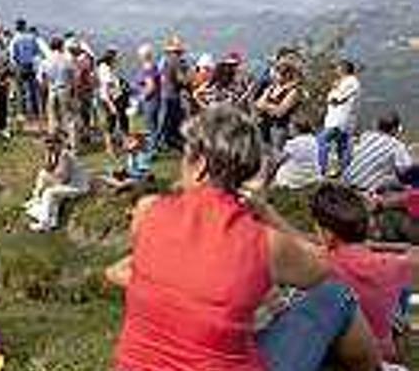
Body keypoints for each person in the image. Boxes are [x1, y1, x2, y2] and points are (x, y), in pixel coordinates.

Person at [107, 105, 380, 371]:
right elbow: (322, 269)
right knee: (337, 295)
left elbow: (185, 260)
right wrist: (265, 211)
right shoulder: (264, 242)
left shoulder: (147, 211)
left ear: (200, 165)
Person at [310, 183, 417, 366]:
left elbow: (295, 242)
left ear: (327, 234)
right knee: (398, 311)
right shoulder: (395, 265)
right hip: (384, 354)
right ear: (370, 225)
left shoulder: (321, 264)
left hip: (341, 356)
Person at [24, 132, 89, 232]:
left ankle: (44, 223)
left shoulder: (65, 155)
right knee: (43, 176)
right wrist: (49, 157)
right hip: (69, 184)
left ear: (59, 144)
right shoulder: (55, 154)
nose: (50, 147)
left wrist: (50, 181)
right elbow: (48, 169)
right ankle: (52, 221)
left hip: (78, 186)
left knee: (49, 192)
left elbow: (64, 178)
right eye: (47, 144)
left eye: (52, 144)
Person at [346, 112, 416, 193]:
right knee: (406, 175)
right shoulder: (396, 145)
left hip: (347, 182)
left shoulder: (366, 136)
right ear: (394, 129)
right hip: (364, 189)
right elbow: (406, 169)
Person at [318, 60, 361, 177]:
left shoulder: (351, 82)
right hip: (338, 120)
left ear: (344, 69)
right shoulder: (343, 82)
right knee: (342, 146)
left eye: (338, 68)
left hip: (340, 120)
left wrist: (334, 91)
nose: (336, 70)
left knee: (322, 141)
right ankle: (345, 171)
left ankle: (321, 169)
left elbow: (336, 99)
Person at [255, 59, 302, 150]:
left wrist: (265, 106)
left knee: (276, 154)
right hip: (264, 126)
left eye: (280, 73)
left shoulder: (293, 91)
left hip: (279, 128)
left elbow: (280, 112)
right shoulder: (271, 88)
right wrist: (271, 107)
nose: (276, 76)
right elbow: (257, 104)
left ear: (288, 75)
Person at [39, 37, 76, 147]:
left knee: (52, 117)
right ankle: (70, 143)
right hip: (64, 89)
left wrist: (45, 90)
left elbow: (42, 79)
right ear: (61, 46)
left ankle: (53, 142)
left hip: (52, 90)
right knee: (67, 117)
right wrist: (73, 92)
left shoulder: (45, 61)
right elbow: (72, 78)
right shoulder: (67, 60)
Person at [156, 35, 188, 151]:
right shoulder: (176, 61)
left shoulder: (164, 60)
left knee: (166, 121)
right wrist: (187, 80)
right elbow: (181, 80)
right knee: (169, 122)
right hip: (172, 95)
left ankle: (163, 143)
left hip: (165, 93)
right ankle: (156, 145)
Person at [272, 114, 322, 190]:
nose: (289, 130)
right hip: (313, 175)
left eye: (291, 127)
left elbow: (280, 160)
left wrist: (275, 148)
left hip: (297, 177)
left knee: (281, 171)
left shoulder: (293, 143)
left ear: (297, 129)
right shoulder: (313, 139)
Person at [97, 48, 129, 157]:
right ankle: (110, 149)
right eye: (116, 57)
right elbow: (106, 89)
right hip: (110, 100)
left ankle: (124, 145)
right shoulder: (105, 70)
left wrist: (121, 84)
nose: (118, 59)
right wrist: (111, 105)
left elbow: (113, 83)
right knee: (111, 124)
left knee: (120, 122)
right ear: (112, 58)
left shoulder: (108, 68)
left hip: (115, 98)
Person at [10, 19, 42, 122]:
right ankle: (35, 112)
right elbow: (36, 53)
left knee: (20, 90)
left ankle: (21, 112)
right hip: (31, 66)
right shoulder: (32, 38)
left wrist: (14, 66)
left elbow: (13, 55)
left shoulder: (15, 39)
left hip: (20, 66)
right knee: (32, 90)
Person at [135, 43, 161, 152]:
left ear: (143, 56)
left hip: (150, 101)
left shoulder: (148, 68)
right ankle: (154, 146)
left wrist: (141, 97)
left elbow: (151, 87)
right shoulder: (153, 66)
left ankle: (152, 149)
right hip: (154, 100)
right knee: (153, 125)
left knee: (150, 126)